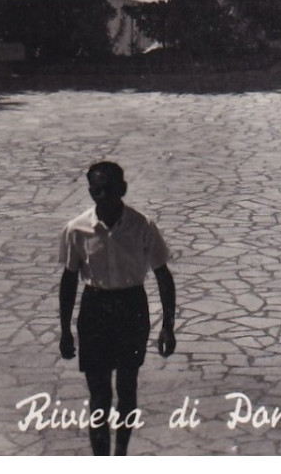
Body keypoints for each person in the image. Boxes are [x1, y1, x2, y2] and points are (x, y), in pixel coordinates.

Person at [59, 161, 176, 457]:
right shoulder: (77, 229)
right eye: (97, 191)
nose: (103, 196)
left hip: (131, 309)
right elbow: (69, 280)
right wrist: (65, 330)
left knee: (127, 389)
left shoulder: (142, 226)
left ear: (122, 189)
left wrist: (168, 326)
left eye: (109, 190)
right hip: (95, 311)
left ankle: (121, 454)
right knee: (99, 396)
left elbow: (163, 275)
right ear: (90, 192)